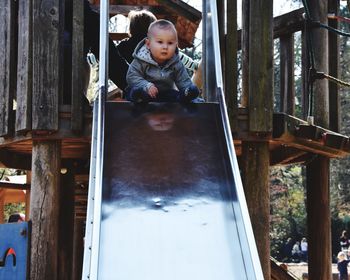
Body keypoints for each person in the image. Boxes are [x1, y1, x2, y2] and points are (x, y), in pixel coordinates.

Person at [125, 19, 200, 103]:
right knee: (133, 91)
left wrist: (187, 90)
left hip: (165, 94)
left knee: (177, 95)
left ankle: (188, 97)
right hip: (144, 91)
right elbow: (132, 76)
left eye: (170, 43)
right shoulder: (141, 60)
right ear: (148, 44)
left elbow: (183, 80)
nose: (165, 47)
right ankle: (139, 98)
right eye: (160, 42)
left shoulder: (175, 62)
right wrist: (146, 86)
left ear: (176, 45)